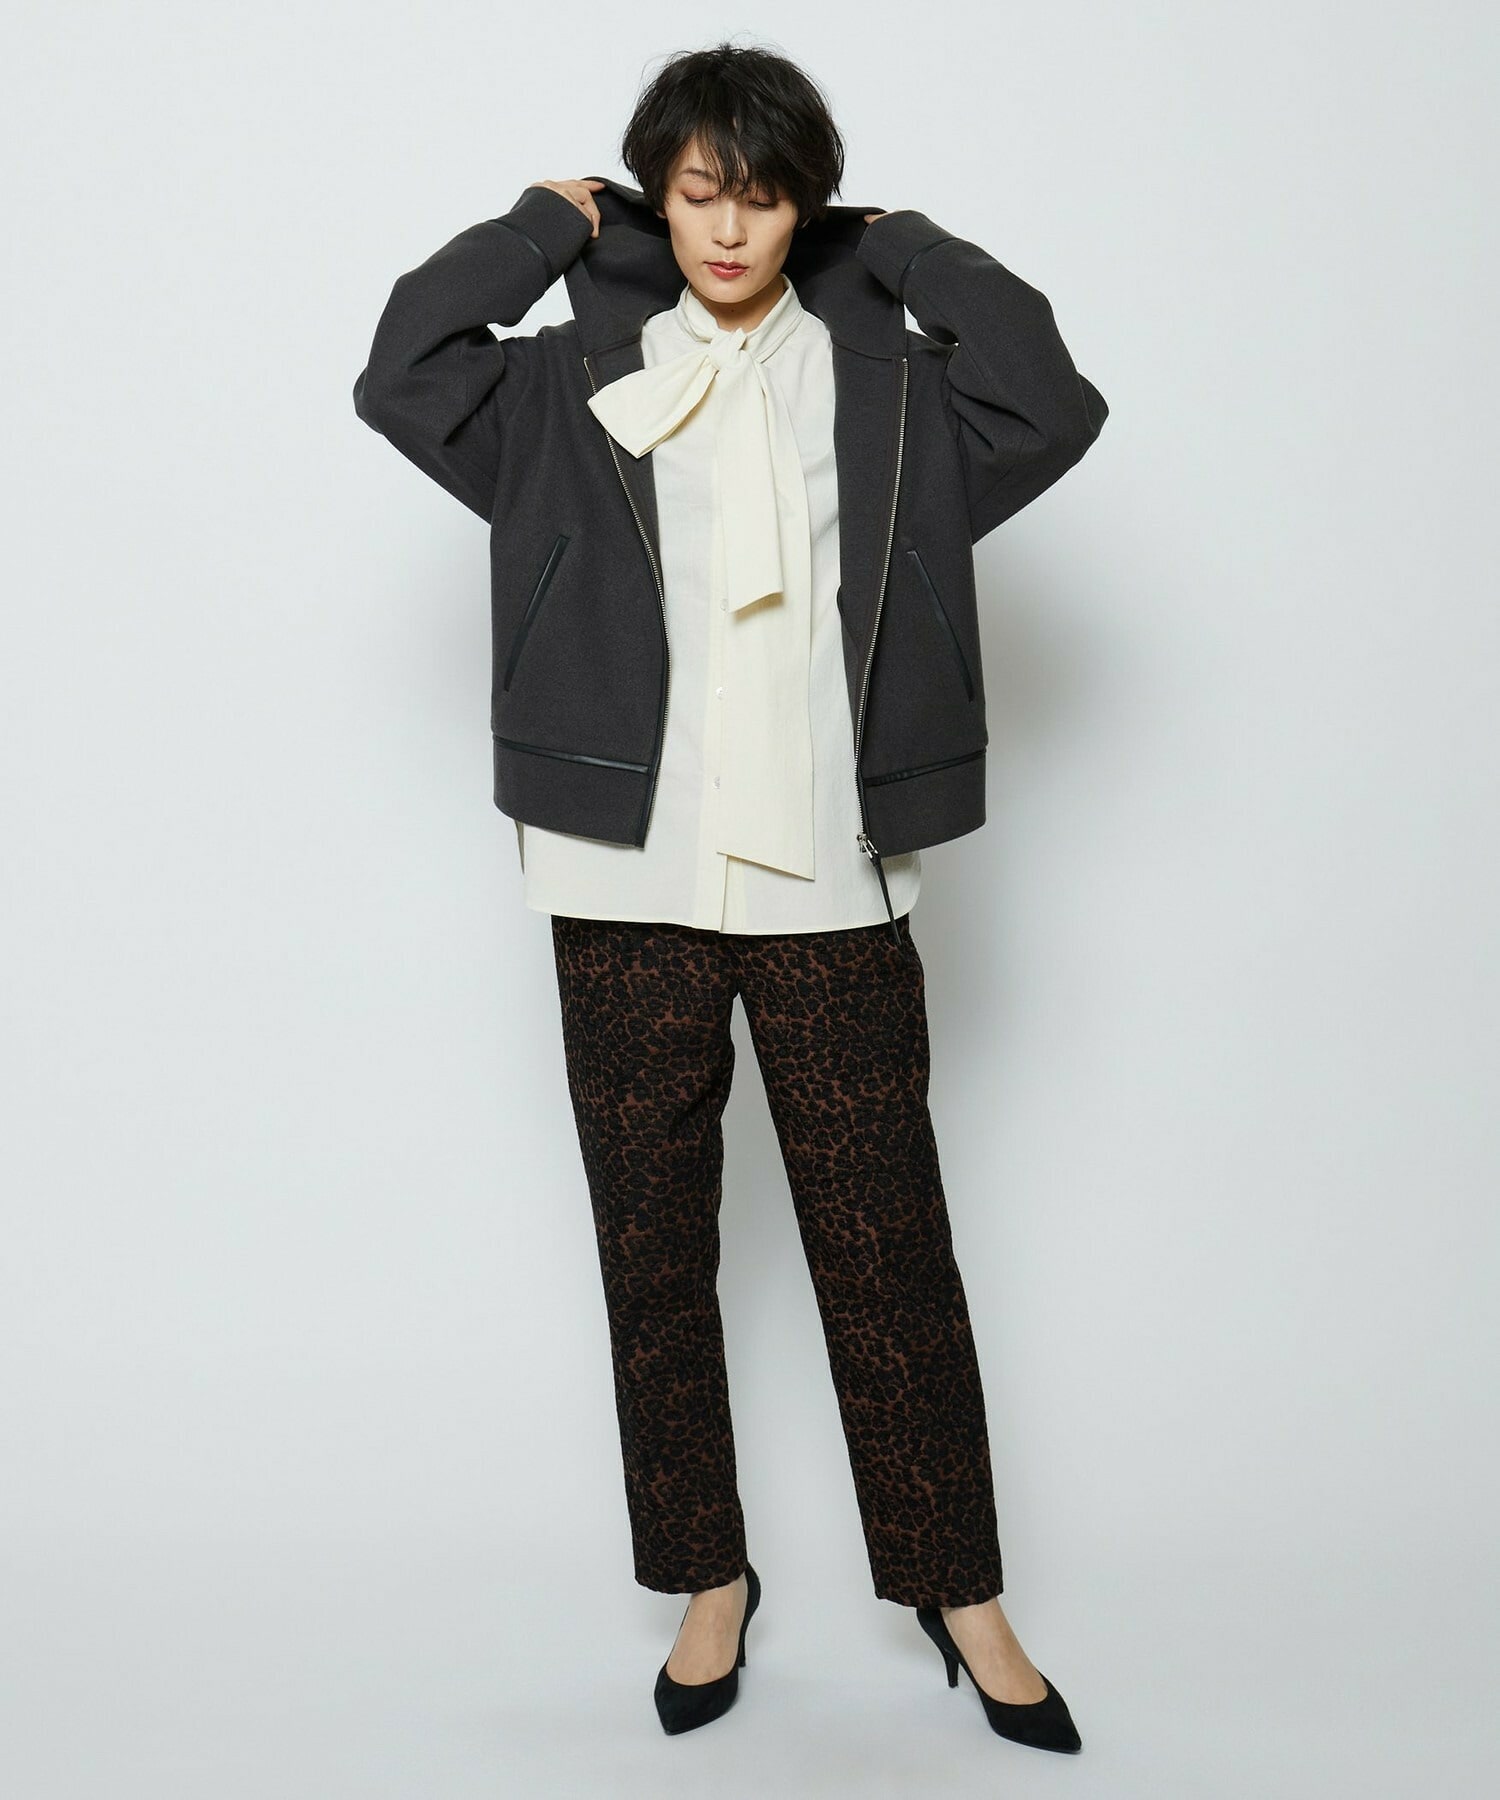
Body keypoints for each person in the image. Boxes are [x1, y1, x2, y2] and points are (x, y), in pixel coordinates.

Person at [353, 39, 1107, 1749]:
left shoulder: (894, 385)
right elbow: (401, 370)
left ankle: (960, 1591)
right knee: (653, 1249)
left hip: (833, 866)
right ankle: (708, 1577)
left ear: (806, 211)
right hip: (624, 866)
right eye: (697, 193)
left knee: (888, 1250)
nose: (726, 229)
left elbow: (1054, 401)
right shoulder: (565, 386)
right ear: (657, 197)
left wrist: (910, 251)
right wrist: (539, 229)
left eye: (763, 200)